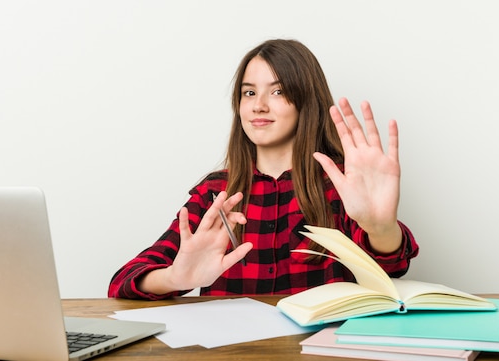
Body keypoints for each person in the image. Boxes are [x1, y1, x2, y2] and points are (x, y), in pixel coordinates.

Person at [108, 39, 419, 299]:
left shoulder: (340, 184)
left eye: (278, 91)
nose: (258, 106)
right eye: (249, 92)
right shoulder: (214, 194)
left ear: (305, 101)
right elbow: (123, 282)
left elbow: (390, 266)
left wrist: (380, 228)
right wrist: (175, 278)